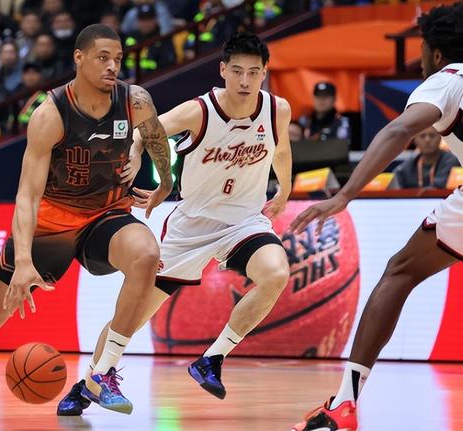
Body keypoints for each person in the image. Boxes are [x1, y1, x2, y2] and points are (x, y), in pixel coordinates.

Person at [0, 23, 173, 421]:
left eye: (117, 59)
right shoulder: (50, 114)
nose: (112, 66)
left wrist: (166, 181)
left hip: (106, 214)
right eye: (103, 58)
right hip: (52, 222)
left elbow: (157, 139)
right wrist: (23, 260)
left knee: (146, 255)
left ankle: (102, 374)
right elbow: (27, 195)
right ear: (79, 58)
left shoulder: (135, 101)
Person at [57, 31, 293, 415]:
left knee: (276, 273)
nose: (245, 81)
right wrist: (139, 158)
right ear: (223, 70)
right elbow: (144, 131)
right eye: (237, 71)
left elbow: (281, 149)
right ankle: (89, 382)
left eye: (253, 72)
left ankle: (212, 359)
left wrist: (284, 189)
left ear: (264, 73)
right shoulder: (199, 111)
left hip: (244, 222)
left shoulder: (277, 109)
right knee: (131, 317)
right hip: (191, 228)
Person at [290, 4, 463, 430]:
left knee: (399, 272)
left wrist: (345, 194)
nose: (419, 60)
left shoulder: (447, 79)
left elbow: (398, 130)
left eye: (421, 51)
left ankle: (344, 404)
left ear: (436, 53)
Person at [393, 126, 459, 189]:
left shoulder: (452, 161)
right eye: (422, 136)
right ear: (414, 140)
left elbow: (439, 187)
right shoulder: (406, 167)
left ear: (440, 138)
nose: (427, 140)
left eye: (432, 135)